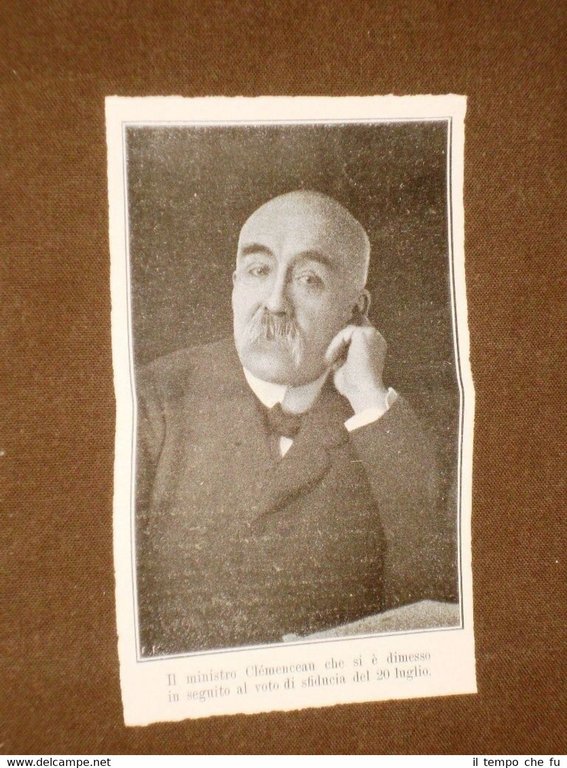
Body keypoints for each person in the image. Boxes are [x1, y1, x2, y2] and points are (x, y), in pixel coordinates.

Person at [135, 190, 456, 657]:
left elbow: (435, 603)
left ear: (355, 309)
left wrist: (368, 398)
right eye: (258, 271)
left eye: (308, 279)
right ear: (234, 285)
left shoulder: (384, 425)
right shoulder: (151, 399)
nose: (275, 302)